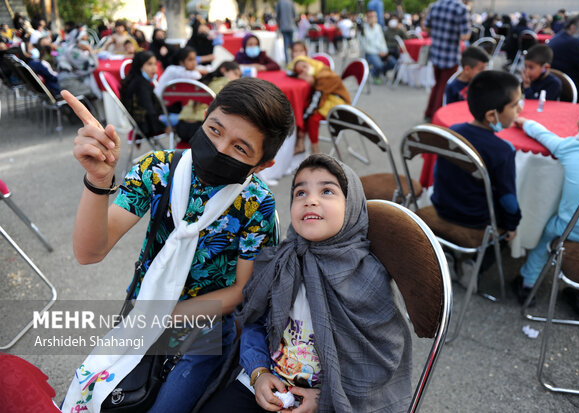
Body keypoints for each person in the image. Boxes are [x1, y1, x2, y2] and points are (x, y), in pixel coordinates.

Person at [61, 76, 295, 412]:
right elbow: (89, 252)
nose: (219, 148)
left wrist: (165, 318)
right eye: (215, 130)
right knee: (101, 397)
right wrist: (98, 182)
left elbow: (243, 289)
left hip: (206, 331)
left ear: (262, 165)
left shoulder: (256, 203)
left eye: (240, 148)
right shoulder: (157, 170)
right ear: (204, 117)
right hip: (142, 314)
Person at [200, 153, 415, 413]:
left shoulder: (367, 277)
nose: (310, 200)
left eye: (327, 191)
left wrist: (322, 400)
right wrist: (258, 373)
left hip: (332, 400)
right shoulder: (282, 261)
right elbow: (254, 322)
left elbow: (379, 361)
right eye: (300, 193)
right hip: (268, 383)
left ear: (352, 207)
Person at [513, 95, 579, 316]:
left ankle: (527, 284)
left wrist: (524, 122)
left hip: (570, 231)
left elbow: (541, 134)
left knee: (547, 234)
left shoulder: (568, 148)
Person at [430, 70, 522, 252]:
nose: (520, 109)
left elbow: (437, 171)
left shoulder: (452, 131)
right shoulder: (503, 150)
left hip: (441, 206)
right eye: (515, 105)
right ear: (491, 116)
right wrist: (512, 225)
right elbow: (508, 199)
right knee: (506, 231)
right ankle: (476, 266)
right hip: (475, 220)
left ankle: (452, 256)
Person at [291, 56, 351, 155]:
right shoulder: (318, 70)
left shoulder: (324, 75)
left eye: (304, 66)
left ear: (309, 62)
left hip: (337, 102)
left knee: (312, 116)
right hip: (327, 98)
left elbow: (317, 101)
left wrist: (304, 118)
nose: (304, 71)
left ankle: (315, 149)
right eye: (301, 71)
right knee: (305, 106)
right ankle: (300, 143)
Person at [422, 0, 471, 122]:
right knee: (443, 86)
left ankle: (429, 112)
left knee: (437, 83)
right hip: (450, 55)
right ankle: (435, 116)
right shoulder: (461, 9)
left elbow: (426, 27)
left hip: (436, 52)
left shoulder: (435, 5)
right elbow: (465, 36)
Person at [120, 50, 167, 138]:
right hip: (147, 126)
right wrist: (165, 127)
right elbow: (149, 111)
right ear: (140, 66)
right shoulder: (140, 85)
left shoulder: (139, 81)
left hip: (146, 122)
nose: (154, 68)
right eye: (149, 64)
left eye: (155, 64)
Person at [362, 10, 396, 83]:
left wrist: (385, 51)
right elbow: (365, 47)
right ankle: (375, 74)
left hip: (381, 51)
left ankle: (376, 72)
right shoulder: (364, 29)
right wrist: (378, 52)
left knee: (393, 62)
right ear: (367, 18)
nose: (373, 18)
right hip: (371, 53)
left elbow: (382, 41)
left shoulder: (378, 27)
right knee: (379, 65)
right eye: (370, 16)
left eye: (374, 16)